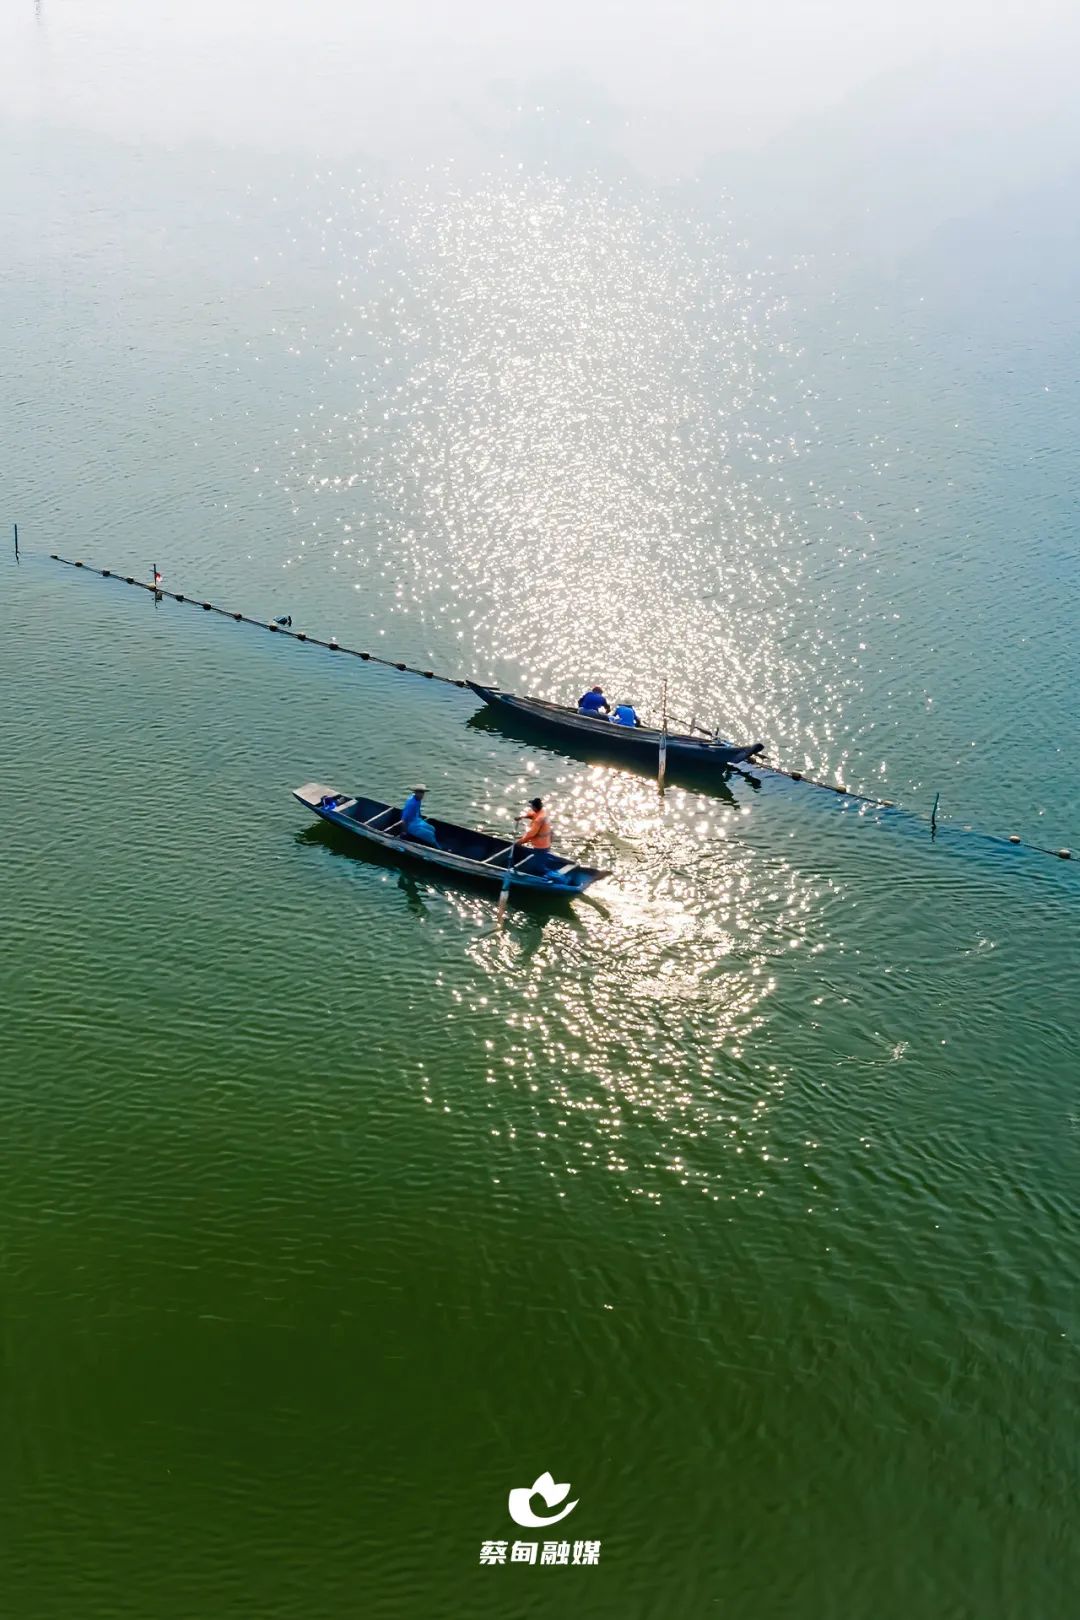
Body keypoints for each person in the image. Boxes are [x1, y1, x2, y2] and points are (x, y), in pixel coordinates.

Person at [515, 796, 562, 876]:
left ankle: (554, 877)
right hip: (547, 842)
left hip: (540, 846)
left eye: (532, 806)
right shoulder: (542, 812)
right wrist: (522, 817)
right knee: (541, 860)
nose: (531, 807)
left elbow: (530, 834)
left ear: (535, 807)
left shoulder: (538, 821)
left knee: (539, 867)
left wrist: (519, 842)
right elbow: (533, 815)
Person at [399, 784, 440, 848]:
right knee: (430, 835)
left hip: (417, 820)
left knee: (432, 829)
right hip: (410, 825)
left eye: (423, 792)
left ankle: (427, 841)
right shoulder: (411, 804)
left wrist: (420, 818)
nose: (422, 794)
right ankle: (438, 848)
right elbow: (403, 820)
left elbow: (418, 810)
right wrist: (404, 832)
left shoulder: (418, 799)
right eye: (420, 792)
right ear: (415, 792)